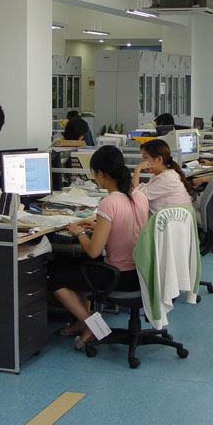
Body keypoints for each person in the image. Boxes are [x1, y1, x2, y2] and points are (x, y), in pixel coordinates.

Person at [49, 145, 149, 348]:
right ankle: (81, 321)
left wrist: (80, 233)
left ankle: (92, 325)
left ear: (101, 174)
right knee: (76, 263)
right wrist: (99, 226)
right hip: (140, 272)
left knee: (53, 275)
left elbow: (94, 251)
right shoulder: (139, 195)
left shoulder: (109, 203)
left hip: (118, 276)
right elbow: (129, 228)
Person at [134, 139, 194, 213]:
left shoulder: (166, 178)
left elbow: (136, 195)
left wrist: (138, 169)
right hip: (170, 218)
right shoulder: (163, 174)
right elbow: (142, 189)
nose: (143, 161)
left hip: (172, 219)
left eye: (146, 157)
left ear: (159, 159)